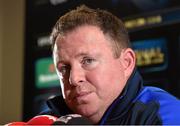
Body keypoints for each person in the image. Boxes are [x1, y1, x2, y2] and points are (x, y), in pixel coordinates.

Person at [42, 5, 180, 125]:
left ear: (127, 63)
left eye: (88, 61)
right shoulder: (45, 121)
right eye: (64, 68)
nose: (73, 78)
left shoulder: (163, 115)